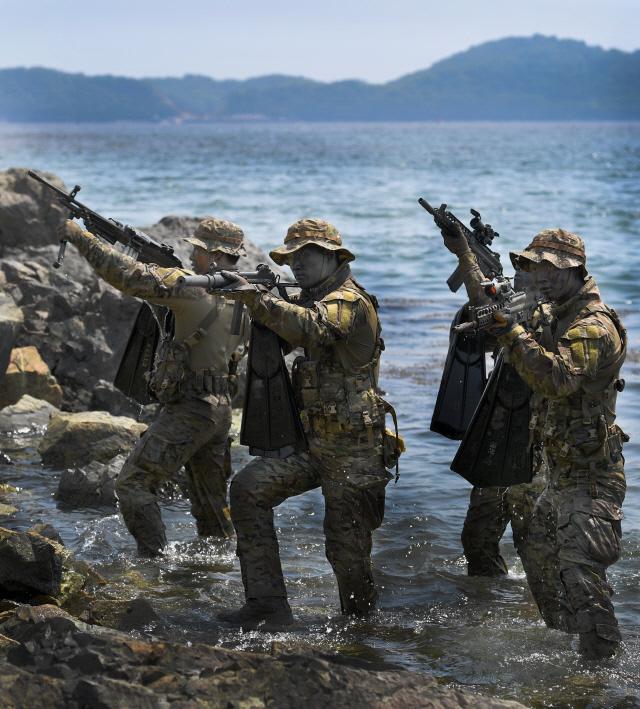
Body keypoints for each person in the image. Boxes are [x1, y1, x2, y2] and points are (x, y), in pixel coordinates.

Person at [446, 224, 627, 659]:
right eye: (532, 267)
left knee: (582, 576)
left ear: (575, 269)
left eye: (549, 268)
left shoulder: (593, 326)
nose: (539, 276)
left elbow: (558, 379)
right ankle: (570, 652)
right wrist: (468, 262)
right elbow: (500, 310)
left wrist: (511, 332)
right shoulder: (554, 311)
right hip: (556, 469)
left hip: (590, 476)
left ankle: (603, 673)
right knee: (544, 567)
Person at [216, 218, 400, 628]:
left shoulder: (348, 301)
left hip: (354, 449)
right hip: (313, 444)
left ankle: (361, 633)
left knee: (346, 549)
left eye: (307, 254)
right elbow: (282, 333)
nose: (297, 264)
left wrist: (257, 300)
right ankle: (267, 604)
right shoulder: (312, 297)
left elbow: (315, 329)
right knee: (248, 490)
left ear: (334, 256)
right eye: (292, 257)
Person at [58, 217, 250, 557]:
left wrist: (78, 235)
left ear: (216, 255)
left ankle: (154, 562)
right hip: (219, 411)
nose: (193, 258)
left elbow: (127, 276)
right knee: (211, 506)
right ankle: (215, 572)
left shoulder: (193, 288)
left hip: (190, 409)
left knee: (132, 484)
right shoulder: (244, 298)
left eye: (200, 251)